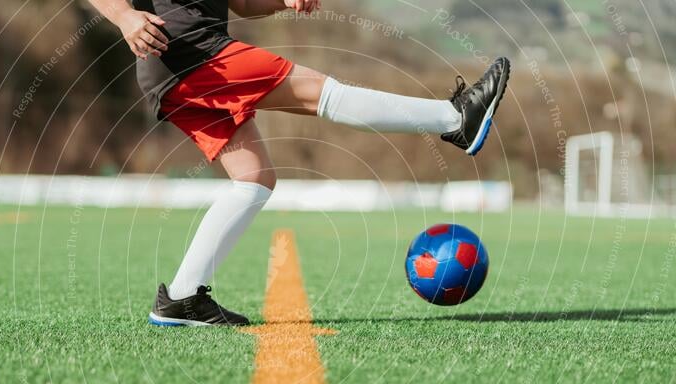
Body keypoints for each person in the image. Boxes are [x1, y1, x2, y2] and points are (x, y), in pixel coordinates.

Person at [89, 0, 510, 326]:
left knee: (254, 179)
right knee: (324, 93)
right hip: (192, 55)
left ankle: (181, 299)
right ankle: (455, 119)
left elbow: (241, 3)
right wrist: (125, 16)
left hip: (179, 67)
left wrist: (283, 2)